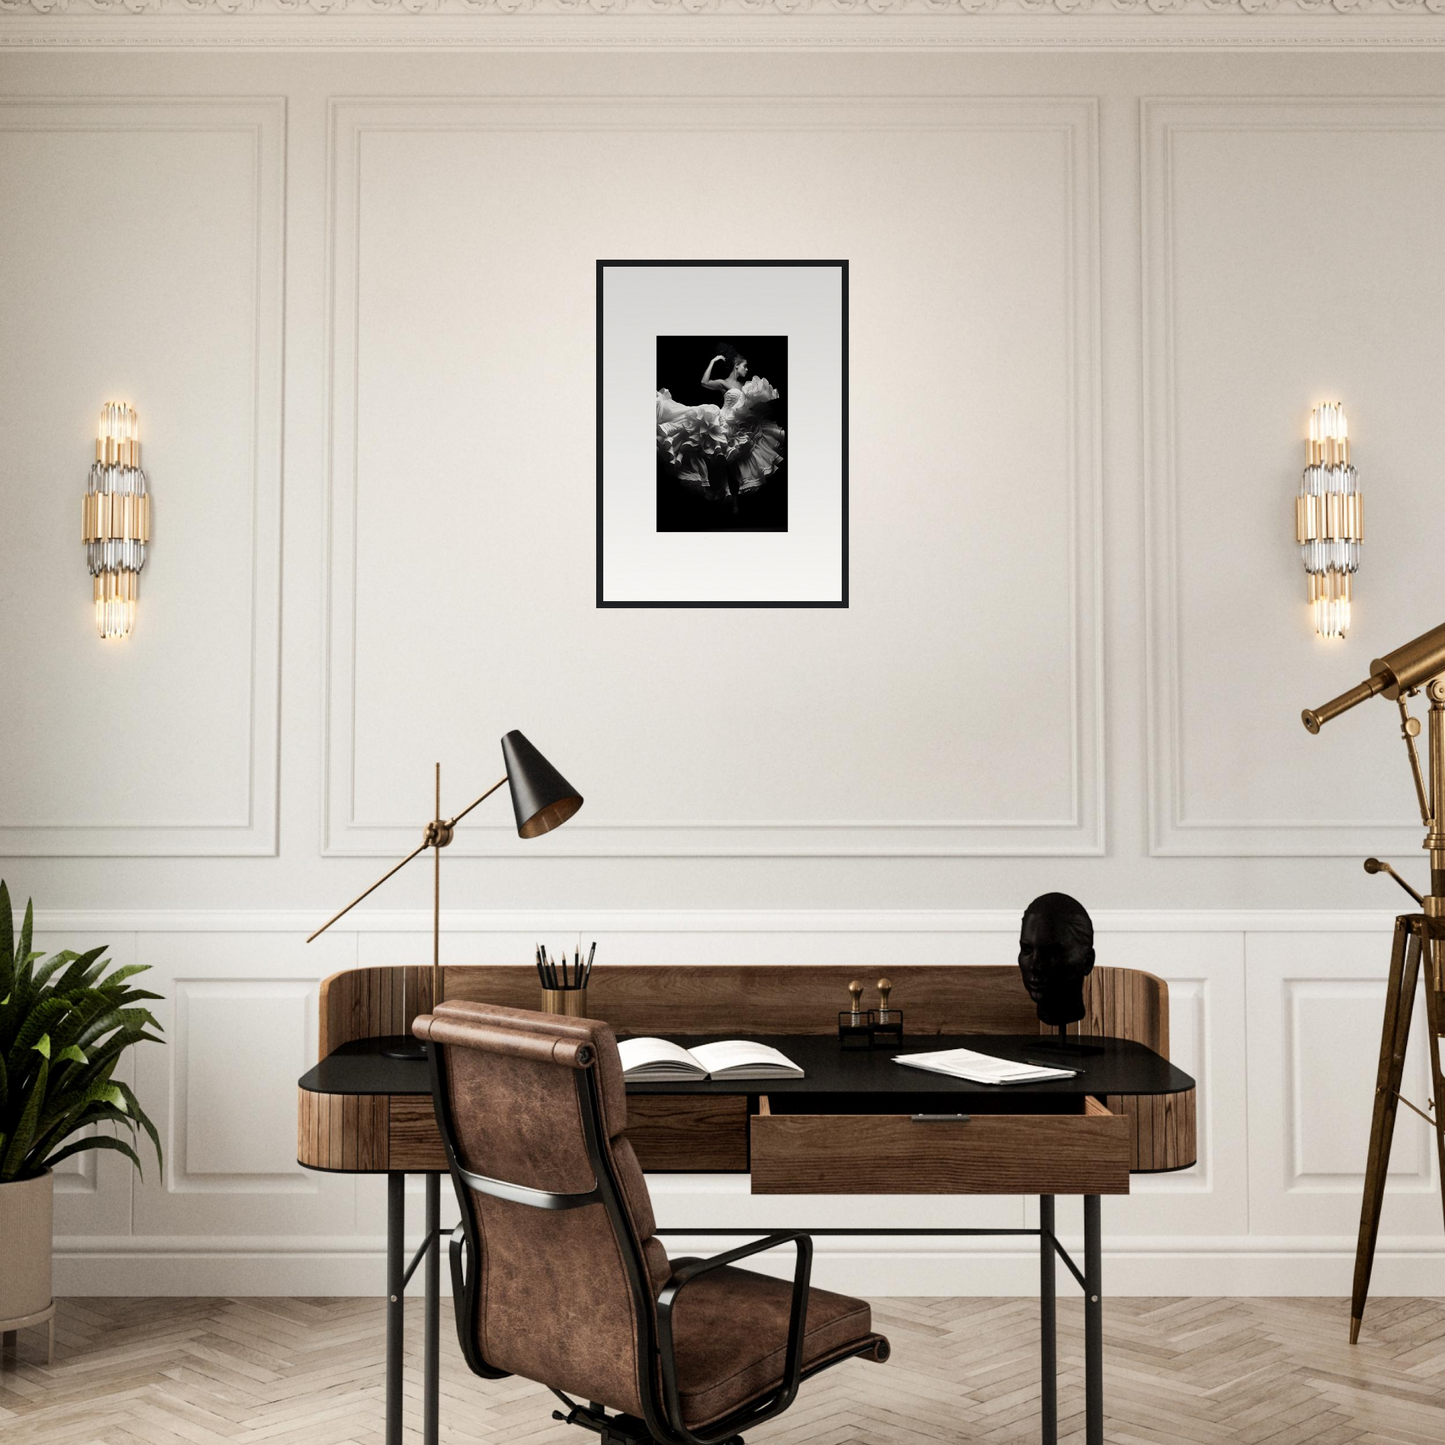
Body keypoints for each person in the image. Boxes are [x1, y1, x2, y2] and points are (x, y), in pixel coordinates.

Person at [656, 343, 785, 509]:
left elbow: (747, 404)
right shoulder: (723, 383)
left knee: (737, 462)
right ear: (736, 366)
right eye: (744, 366)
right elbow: (704, 382)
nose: (747, 369)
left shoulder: (743, 385)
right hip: (722, 422)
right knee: (717, 456)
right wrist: (714, 361)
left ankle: (734, 504)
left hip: (739, 425)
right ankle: (724, 502)